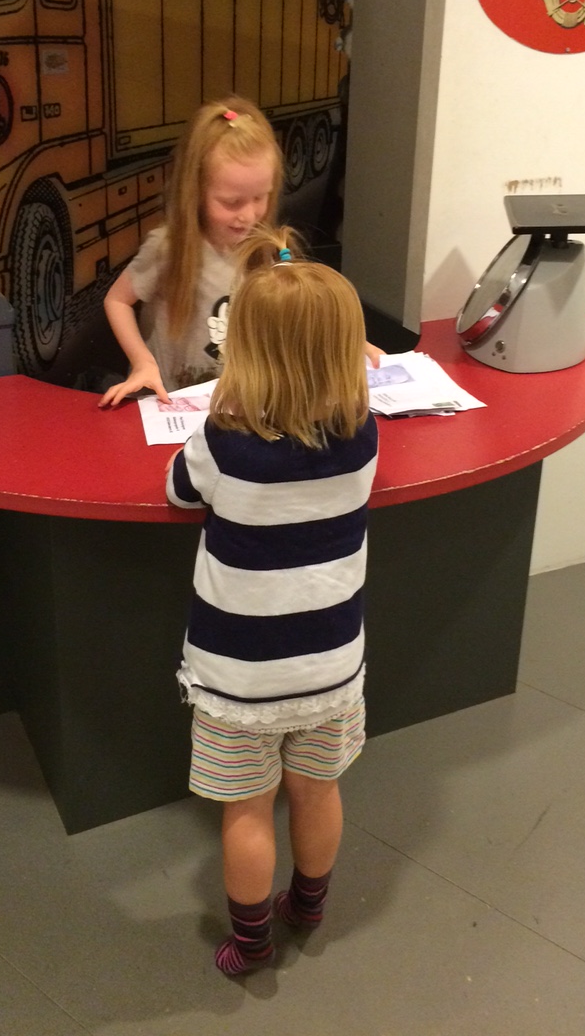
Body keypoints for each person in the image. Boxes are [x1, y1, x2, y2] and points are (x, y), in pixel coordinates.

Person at [165, 228, 379, 976]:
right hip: (330, 666)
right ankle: (309, 906)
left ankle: (250, 944)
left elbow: (178, 490)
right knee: (318, 793)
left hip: (240, 676)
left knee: (248, 810)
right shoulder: (362, 434)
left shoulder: (225, 441)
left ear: (243, 349)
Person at [99, 96, 284, 406]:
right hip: (167, 404)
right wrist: (143, 363)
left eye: (259, 198)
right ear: (195, 190)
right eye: (231, 202)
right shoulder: (168, 247)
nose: (249, 216)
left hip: (229, 404)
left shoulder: (263, 248)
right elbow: (117, 300)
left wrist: (350, 344)